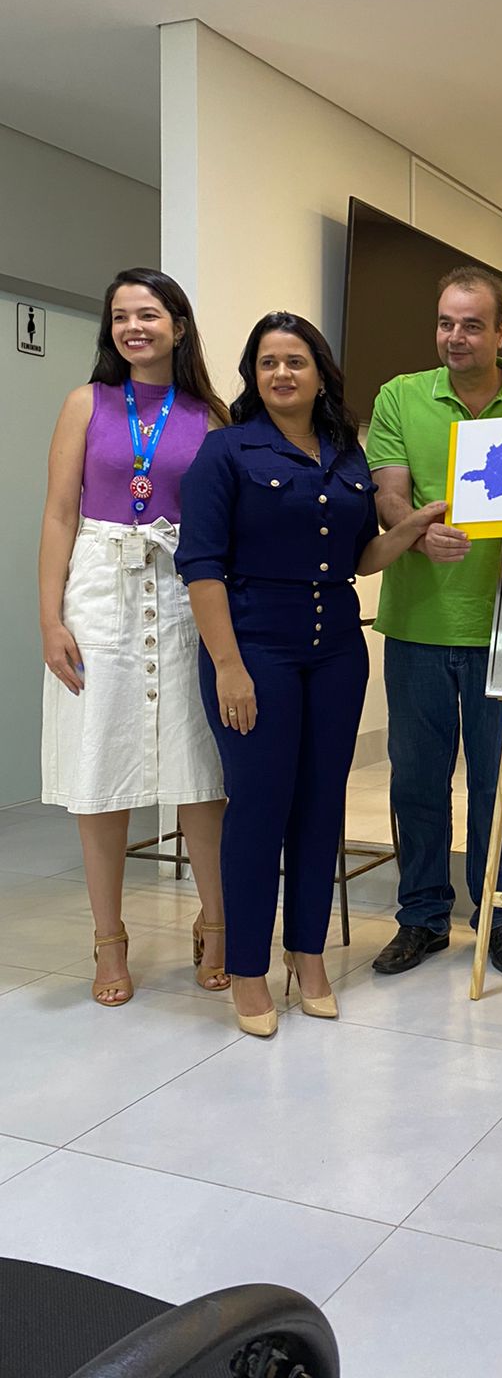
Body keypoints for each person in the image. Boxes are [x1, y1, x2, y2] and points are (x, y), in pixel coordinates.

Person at [176, 313, 444, 1037]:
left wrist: (408, 531)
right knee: (259, 808)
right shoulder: (226, 450)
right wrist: (228, 667)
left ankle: (308, 953)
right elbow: (200, 567)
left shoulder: (345, 454)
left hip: (335, 652)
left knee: (322, 805)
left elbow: (359, 556)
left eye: (295, 361)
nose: (281, 374)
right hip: (253, 649)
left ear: (321, 374)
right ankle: (247, 968)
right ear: (253, 376)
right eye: (267, 362)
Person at [366, 266, 502, 979]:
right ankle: (421, 918)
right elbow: (389, 495)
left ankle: (498, 918)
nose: (456, 336)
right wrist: (418, 533)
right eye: (446, 322)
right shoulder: (399, 396)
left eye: (473, 325)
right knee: (416, 784)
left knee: (499, 785)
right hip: (416, 626)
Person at [39, 268, 230, 1007]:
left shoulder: (210, 415)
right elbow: (60, 513)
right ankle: (109, 939)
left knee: (198, 764)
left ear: (178, 326)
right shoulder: (85, 403)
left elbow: (224, 520)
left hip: (183, 591)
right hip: (99, 592)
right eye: (120, 316)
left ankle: (215, 921)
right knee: (101, 763)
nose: (132, 328)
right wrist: (50, 619)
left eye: (147, 314)